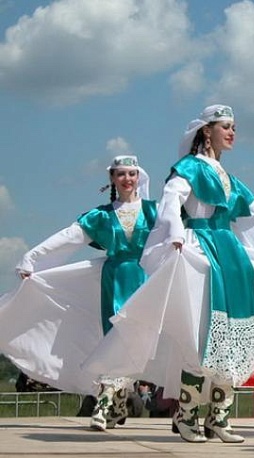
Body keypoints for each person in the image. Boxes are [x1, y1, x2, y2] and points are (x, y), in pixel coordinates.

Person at [82, 105, 254, 444]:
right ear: (206, 131)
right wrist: (175, 232)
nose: (232, 132)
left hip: (231, 254)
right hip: (199, 248)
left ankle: (218, 418)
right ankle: (187, 415)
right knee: (201, 333)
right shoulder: (190, 167)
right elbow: (170, 200)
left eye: (234, 127)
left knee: (232, 336)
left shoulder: (231, 179)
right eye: (226, 126)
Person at [0, 155, 155, 431]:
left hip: (146, 279)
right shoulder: (101, 216)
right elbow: (68, 237)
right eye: (121, 174)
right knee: (117, 336)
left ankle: (116, 404)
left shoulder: (154, 211)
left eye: (132, 174)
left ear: (139, 176)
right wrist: (32, 258)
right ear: (112, 179)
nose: (127, 179)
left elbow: (177, 234)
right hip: (115, 278)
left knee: (136, 340)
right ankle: (107, 403)